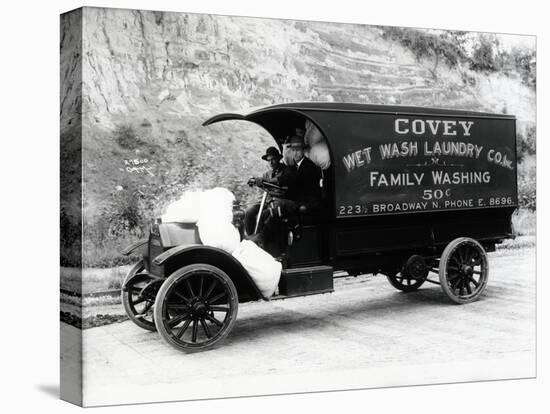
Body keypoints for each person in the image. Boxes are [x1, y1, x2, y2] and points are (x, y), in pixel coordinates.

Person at [244, 146, 293, 235]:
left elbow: (281, 181)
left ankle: (263, 240)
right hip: (267, 201)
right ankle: (251, 238)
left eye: (273, 159)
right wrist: (254, 182)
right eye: (269, 160)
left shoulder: (287, 171)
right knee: (249, 212)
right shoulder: (267, 174)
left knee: (264, 216)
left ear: (279, 158)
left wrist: (263, 181)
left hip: (280, 201)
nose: (271, 162)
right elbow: (262, 184)